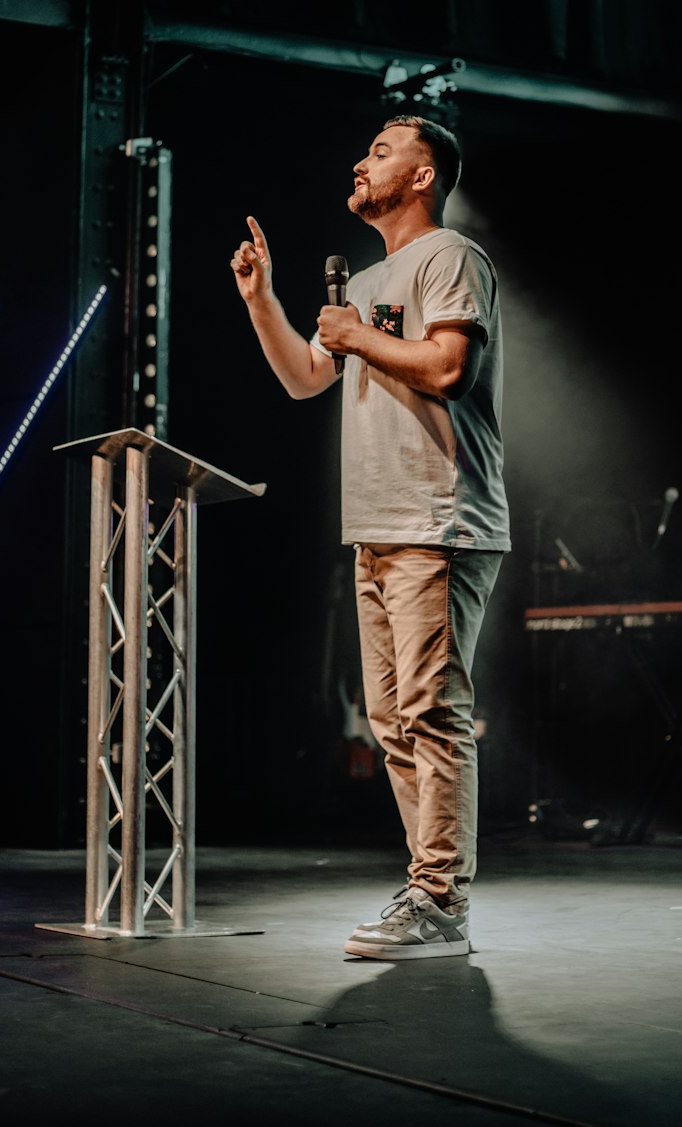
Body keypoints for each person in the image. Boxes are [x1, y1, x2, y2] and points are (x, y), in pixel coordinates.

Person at [230, 113, 510, 958]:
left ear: (423, 176)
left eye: (382, 150)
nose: (362, 159)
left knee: (432, 710)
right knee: (391, 719)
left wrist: (358, 333)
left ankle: (439, 901)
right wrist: (263, 302)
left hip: (439, 518)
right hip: (378, 528)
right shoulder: (369, 279)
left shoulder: (450, 258)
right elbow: (304, 376)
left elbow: (450, 368)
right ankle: (428, 893)